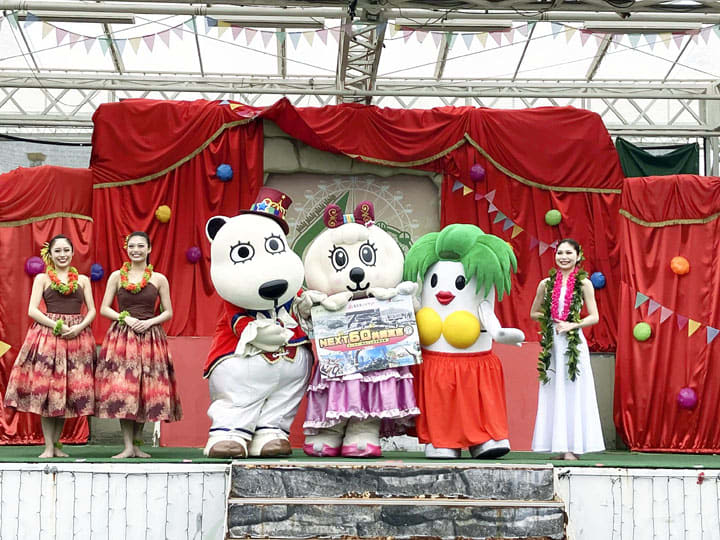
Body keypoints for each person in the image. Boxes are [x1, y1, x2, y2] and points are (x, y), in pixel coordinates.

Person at [4, 234, 96, 458]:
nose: (62, 255)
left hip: (76, 337)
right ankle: (48, 447)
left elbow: (92, 310)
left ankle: (57, 446)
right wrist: (56, 325)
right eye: (58, 251)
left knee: (65, 391)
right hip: (48, 336)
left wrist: (79, 327)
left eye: (66, 250)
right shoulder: (42, 278)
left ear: (72, 253)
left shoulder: (83, 280)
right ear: (50, 255)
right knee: (48, 390)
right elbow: (32, 310)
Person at [95, 231, 182, 458]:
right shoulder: (116, 276)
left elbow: (168, 312)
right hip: (123, 337)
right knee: (125, 389)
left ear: (149, 249)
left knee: (145, 390)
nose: (136, 250)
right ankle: (127, 446)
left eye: (140, 246)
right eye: (132, 246)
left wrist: (150, 322)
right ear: (127, 249)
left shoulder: (159, 279)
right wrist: (125, 319)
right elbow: (104, 308)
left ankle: (137, 445)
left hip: (150, 337)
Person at [529, 238, 605, 460]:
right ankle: (559, 446)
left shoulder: (584, 284)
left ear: (578, 256)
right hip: (553, 343)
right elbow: (534, 312)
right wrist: (552, 319)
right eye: (560, 253)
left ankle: (574, 447)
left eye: (569, 253)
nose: (564, 257)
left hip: (573, 343)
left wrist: (572, 324)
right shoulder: (545, 284)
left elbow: (594, 316)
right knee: (554, 390)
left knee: (573, 390)